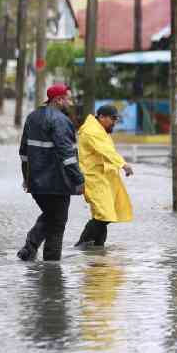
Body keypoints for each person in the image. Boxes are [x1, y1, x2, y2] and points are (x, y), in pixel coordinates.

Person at [16, 83, 85, 261]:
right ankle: (52, 266)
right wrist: (79, 180)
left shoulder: (32, 117)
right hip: (57, 183)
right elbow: (67, 155)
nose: (69, 102)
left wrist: (27, 178)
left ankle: (29, 250)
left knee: (50, 216)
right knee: (57, 222)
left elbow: (23, 152)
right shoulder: (61, 121)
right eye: (67, 98)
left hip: (37, 183)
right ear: (58, 99)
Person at [74, 105, 133, 248]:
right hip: (94, 179)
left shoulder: (99, 130)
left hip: (103, 178)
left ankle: (98, 250)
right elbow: (106, 151)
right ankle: (82, 244)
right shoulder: (91, 131)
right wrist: (123, 164)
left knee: (102, 215)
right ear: (101, 117)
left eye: (116, 119)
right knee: (105, 214)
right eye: (112, 119)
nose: (114, 122)